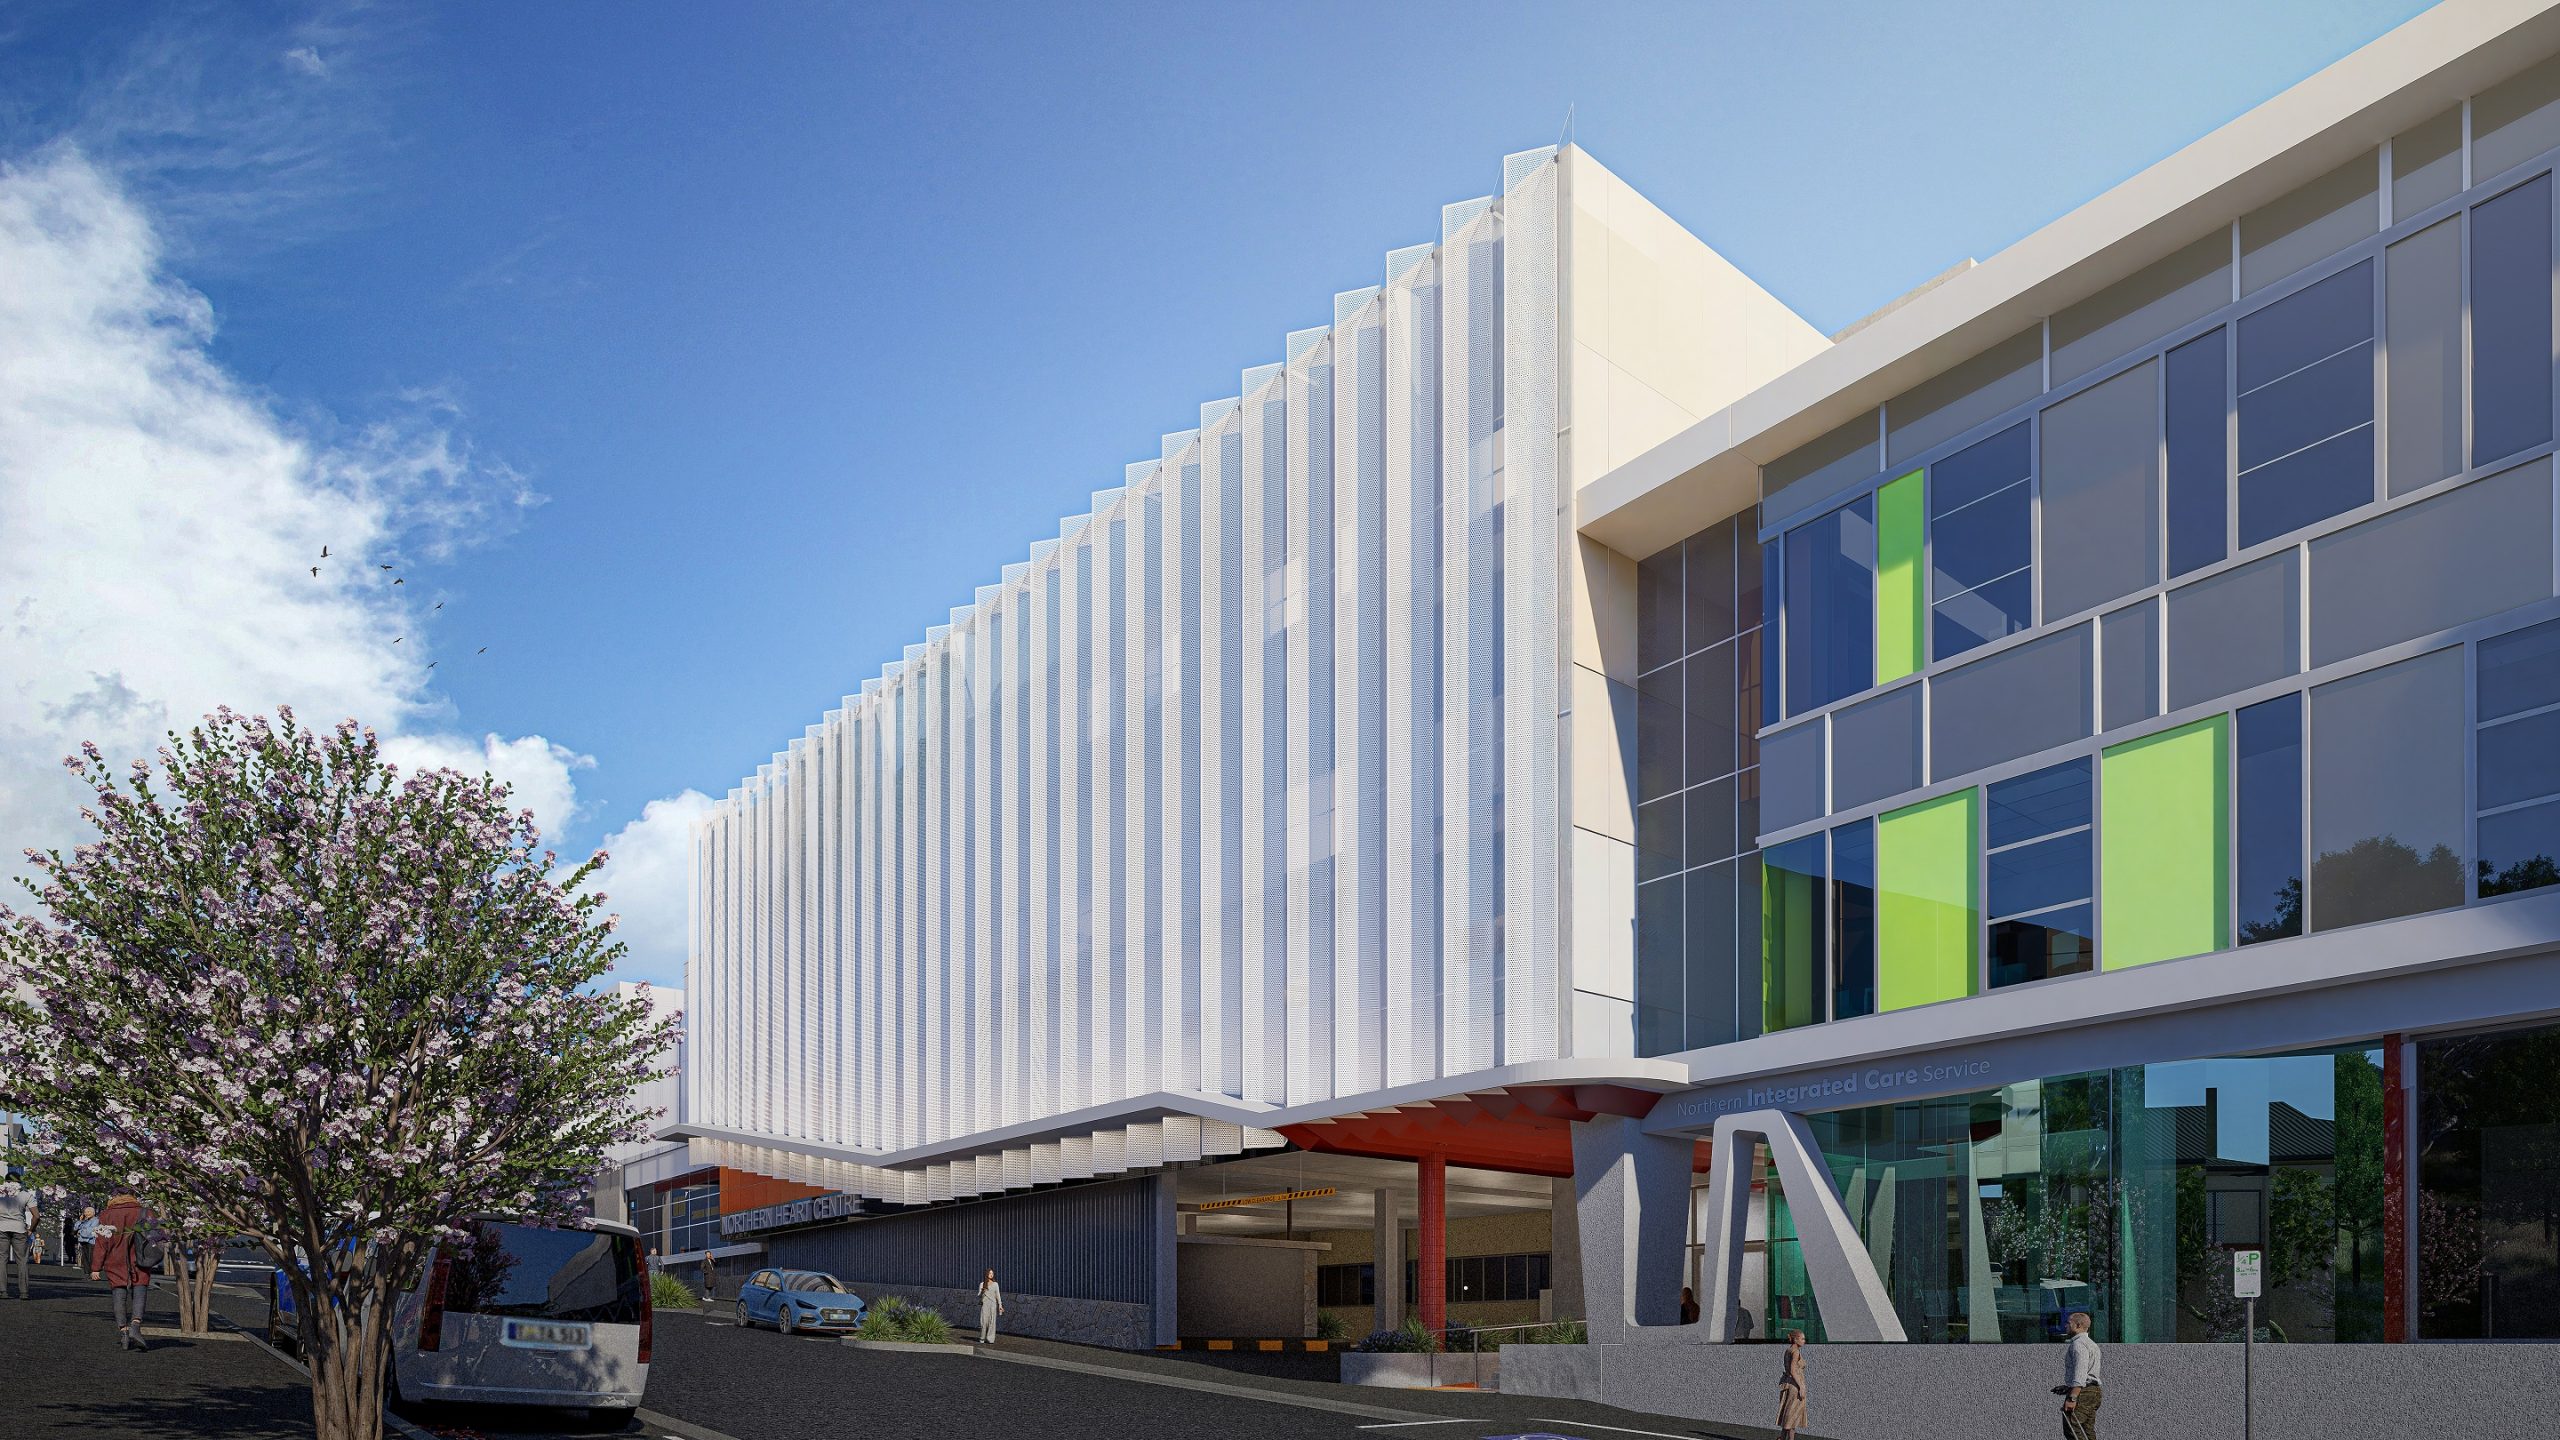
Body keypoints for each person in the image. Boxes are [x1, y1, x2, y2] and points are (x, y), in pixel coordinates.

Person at [94, 1190, 152, 1350]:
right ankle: (135, 1325)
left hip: (115, 1260)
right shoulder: (143, 1212)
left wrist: (96, 1268)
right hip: (140, 1259)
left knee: (118, 1295)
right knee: (140, 1289)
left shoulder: (106, 1215)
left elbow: (101, 1243)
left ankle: (124, 1332)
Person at [2059, 1310, 2103, 1439]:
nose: (2065, 1326)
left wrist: (2072, 1398)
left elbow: (2080, 1372)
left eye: (2068, 1323)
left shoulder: (2078, 1344)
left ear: (2078, 1325)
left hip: (2084, 1392)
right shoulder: (2091, 1344)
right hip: (2093, 1392)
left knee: (2072, 1428)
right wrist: (2068, 1387)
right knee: (2087, 1431)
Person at [0, 1177, 37, 1299]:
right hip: (20, 1228)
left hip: (1, 1228)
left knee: (1, 1259)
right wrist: (31, 1229)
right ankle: (24, 1292)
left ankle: (3, 1291)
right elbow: (36, 1216)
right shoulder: (26, 1195)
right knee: (22, 1261)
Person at [1775, 1329, 1808, 1440]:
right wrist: (1801, 1387)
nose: (1804, 1341)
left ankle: (1783, 1438)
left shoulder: (1788, 1350)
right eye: (1802, 1338)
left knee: (1789, 1414)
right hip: (1795, 1386)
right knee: (1791, 1416)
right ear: (1795, 1339)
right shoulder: (1795, 1352)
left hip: (1789, 1384)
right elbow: (1793, 1371)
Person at [976, 1268, 1004, 1345]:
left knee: (992, 1322)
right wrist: (982, 1291)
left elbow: (998, 1295)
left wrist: (1000, 1305)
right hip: (985, 1304)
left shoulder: (995, 1284)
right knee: (984, 1322)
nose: (991, 1275)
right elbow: (978, 1296)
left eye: (992, 1273)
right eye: (990, 1273)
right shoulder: (982, 1284)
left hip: (993, 1304)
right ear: (986, 1274)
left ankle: (990, 1339)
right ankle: (982, 1337)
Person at [76, 1207, 98, 1273]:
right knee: (85, 1258)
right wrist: (80, 1220)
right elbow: (76, 1227)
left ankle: (92, 1272)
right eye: (85, 1212)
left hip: (91, 1241)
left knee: (90, 1258)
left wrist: (80, 1232)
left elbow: (89, 1232)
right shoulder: (85, 1221)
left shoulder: (96, 1220)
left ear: (93, 1213)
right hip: (83, 1241)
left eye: (88, 1212)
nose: (86, 1213)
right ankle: (87, 1272)